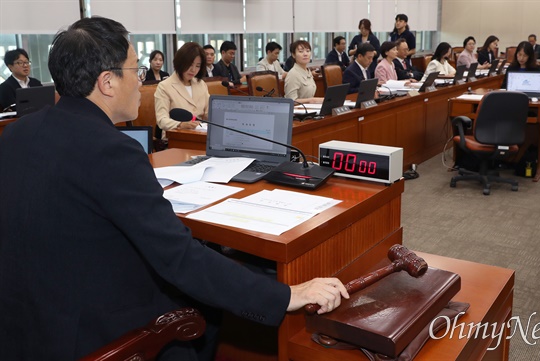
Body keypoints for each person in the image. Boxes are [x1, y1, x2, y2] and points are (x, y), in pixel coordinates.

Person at [0, 16, 348, 361]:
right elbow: (179, 258)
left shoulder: (18, 133)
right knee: (204, 301)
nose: (140, 83)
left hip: (22, 321)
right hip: (92, 334)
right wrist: (286, 295)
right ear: (107, 82)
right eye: (135, 70)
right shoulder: (111, 150)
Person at [155, 42, 208, 140]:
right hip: (176, 138)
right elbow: (162, 120)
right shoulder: (164, 86)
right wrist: (181, 124)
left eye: (197, 66)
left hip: (200, 136)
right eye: (190, 64)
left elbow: (209, 113)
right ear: (180, 62)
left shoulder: (201, 84)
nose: (193, 70)